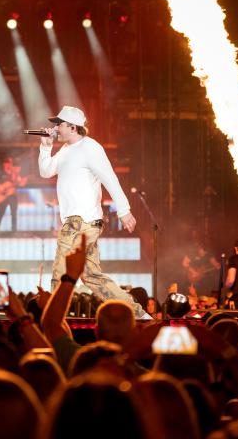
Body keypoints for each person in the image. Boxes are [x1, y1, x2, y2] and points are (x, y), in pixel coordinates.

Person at [38, 105, 148, 319]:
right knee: (91, 275)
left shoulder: (90, 148)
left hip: (81, 220)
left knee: (61, 270)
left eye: (59, 124)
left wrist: (124, 210)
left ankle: (52, 320)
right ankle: (139, 315)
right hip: (79, 221)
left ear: (72, 127)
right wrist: (45, 148)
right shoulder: (66, 150)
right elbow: (46, 171)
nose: (56, 128)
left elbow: (110, 178)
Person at [0, 156, 27, 231]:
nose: (9, 164)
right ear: (4, 164)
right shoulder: (0, 173)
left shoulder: (15, 173)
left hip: (12, 196)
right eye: (7, 162)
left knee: (14, 213)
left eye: (10, 163)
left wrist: (23, 182)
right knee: (0, 213)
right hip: (3, 196)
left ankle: (14, 230)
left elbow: (20, 183)